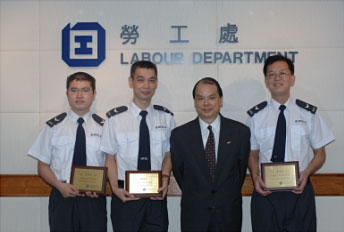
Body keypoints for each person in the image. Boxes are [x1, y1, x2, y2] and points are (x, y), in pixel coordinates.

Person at [247, 55, 335, 232]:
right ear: (265, 81)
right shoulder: (255, 116)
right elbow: (252, 153)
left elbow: (320, 153)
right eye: (271, 74)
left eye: (283, 73)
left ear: (292, 79)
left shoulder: (309, 114)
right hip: (266, 192)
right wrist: (255, 176)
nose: (277, 78)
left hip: (299, 190)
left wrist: (307, 173)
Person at [100, 61, 175, 232]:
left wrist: (165, 179)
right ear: (130, 81)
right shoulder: (115, 119)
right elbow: (109, 157)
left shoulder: (167, 118)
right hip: (125, 195)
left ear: (156, 83)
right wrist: (115, 189)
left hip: (156, 197)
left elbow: (169, 155)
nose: (146, 85)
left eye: (151, 80)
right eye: (140, 80)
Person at [27, 72, 107, 232]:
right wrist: (59, 185)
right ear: (67, 93)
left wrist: (100, 185)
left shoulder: (105, 128)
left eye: (85, 90)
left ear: (94, 94)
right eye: (74, 90)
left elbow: (110, 163)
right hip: (62, 195)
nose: (79, 95)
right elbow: (42, 165)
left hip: (93, 197)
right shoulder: (53, 127)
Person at [170, 77, 251, 231]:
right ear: (195, 102)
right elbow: (181, 174)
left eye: (211, 98)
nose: (206, 103)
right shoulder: (179, 135)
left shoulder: (240, 132)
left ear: (221, 100)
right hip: (194, 215)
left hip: (228, 214)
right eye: (200, 98)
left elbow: (239, 173)